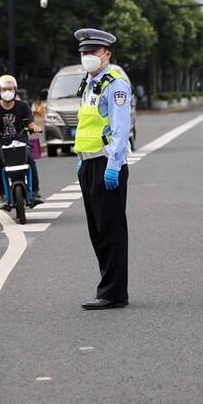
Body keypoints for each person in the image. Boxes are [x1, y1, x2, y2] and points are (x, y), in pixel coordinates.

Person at [72, 28, 133, 311]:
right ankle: (109, 287)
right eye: (84, 52)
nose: (87, 57)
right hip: (89, 162)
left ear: (107, 53)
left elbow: (120, 130)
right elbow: (88, 125)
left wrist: (113, 165)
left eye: (92, 52)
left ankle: (113, 292)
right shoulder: (87, 83)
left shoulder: (115, 84)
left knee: (111, 229)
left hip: (108, 164)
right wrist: (82, 160)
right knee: (97, 230)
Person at [0, 75, 42, 210]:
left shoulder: (23, 106)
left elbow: (31, 124)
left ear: (15, 90)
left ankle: (35, 192)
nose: (7, 92)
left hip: (21, 143)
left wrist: (35, 128)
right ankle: (1, 195)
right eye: (4, 89)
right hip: (1, 145)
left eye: (10, 89)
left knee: (30, 159)